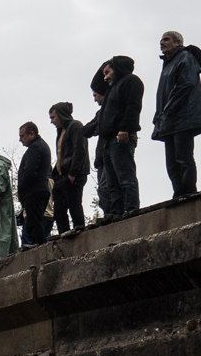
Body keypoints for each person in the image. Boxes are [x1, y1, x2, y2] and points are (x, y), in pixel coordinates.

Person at [153, 32, 201, 199]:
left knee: (183, 157)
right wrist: (159, 115)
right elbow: (164, 93)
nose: (161, 43)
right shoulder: (167, 64)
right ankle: (178, 191)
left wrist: (168, 109)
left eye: (166, 39)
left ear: (177, 42)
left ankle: (188, 190)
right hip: (169, 118)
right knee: (171, 162)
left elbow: (185, 84)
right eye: (161, 40)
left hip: (183, 116)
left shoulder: (185, 57)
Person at [94, 56, 144, 217]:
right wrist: (106, 66)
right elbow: (95, 84)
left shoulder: (131, 81)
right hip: (107, 141)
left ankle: (131, 208)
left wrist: (124, 129)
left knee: (125, 177)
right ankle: (116, 212)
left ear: (118, 68)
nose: (105, 77)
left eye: (108, 72)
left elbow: (133, 107)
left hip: (120, 136)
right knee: (112, 182)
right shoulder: (110, 88)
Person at [50, 102, 89, 235]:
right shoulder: (61, 131)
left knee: (74, 204)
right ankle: (64, 235)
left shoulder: (76, 126)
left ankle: (80, 231)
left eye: (53, 117)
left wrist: (72, 173)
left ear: (61, 115)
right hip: (61, 175)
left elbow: (79, 150)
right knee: (59, 210)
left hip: (73, 174)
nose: (52, 121)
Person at [15, 121, 53, 247]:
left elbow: (30, 172)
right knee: (34, 222)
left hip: (34, 191)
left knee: (35, 223)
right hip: (39, 190)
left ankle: (40, 249)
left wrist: (23, 189)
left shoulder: (36, 147)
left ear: (32, 134)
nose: (20, 140)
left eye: (22, 136)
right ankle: (38, 246)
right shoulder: (41, 146)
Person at [82, 85, 114, 222]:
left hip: (111, 154)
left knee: (108, 187)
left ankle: (114, 213)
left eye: (96, 96)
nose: (95, 99)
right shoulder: (99, 114)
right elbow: (87, 130)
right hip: (102, 157)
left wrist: (99, 127)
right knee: (103, 189)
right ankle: (108, 213)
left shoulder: (111, 111)